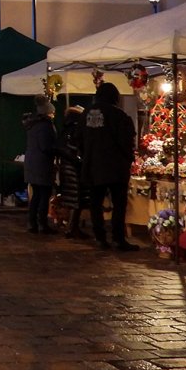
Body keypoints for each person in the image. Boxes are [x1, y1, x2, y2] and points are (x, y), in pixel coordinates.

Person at [81, 81, 138, 251]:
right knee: (118, 204)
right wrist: (128, 158)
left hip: (93, 166)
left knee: (95, 203)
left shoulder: (85, 115)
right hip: (115, 167)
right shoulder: (118, 115)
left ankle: (100, 237)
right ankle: (118, 238)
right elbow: (126, 141)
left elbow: (79, 139)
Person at [23, 98, 57, 234]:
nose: (54, 115)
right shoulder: (46, 126)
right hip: (42, 164)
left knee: (36, 195)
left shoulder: (32, 125)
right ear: (48, 113)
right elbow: (46, 147)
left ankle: (32, 223)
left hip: (32, 163)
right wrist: (57, 150)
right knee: (44, 195)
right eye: (52, 112)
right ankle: (42, 224)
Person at [56, 105, 88, 239]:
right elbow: (77, 148)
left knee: (70, 198)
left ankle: (69, 225)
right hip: (74, 168)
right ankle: (72, 227)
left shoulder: (64, 130)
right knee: (76, 198)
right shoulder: (76, 130)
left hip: (65, 166)